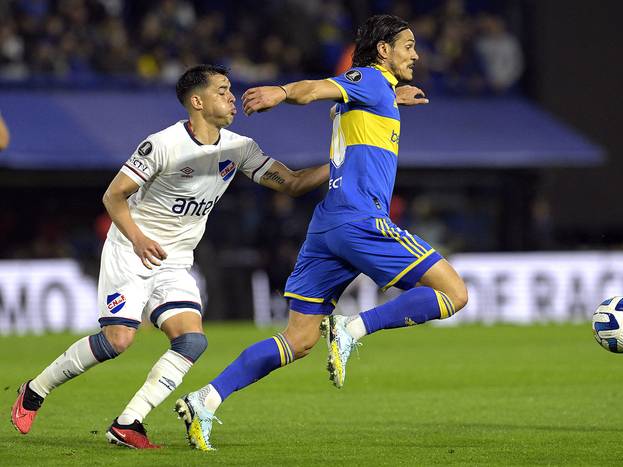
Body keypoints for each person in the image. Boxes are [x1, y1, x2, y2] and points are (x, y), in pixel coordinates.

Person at [175, 15, 468, 451]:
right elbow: (315, 89)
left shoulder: (374, 93)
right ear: (383, 50)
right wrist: (282, 90)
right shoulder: (368, 78)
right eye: (407, 45)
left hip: (326, 226)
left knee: (299, 339)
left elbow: (350, 120)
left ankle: (206, 398)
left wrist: (394, 97)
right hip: (360, 220)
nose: (416, 54)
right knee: (453, 293)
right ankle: (353, 329)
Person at [10, 64, 329, 449]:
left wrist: (346, 159)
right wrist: (138, 238)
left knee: (192, 341)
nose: (232, 97)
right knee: (117, 341)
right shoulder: (162, 144)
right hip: (132, 249)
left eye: (231, 89)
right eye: (222, 90)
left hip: (176, 259)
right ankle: (35, 389)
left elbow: (292, 183)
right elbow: (113, 196)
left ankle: (128, 423)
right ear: (197, 101)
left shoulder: (239, 148)